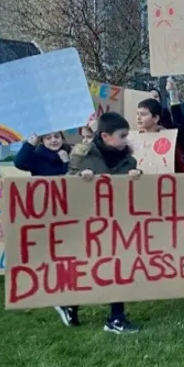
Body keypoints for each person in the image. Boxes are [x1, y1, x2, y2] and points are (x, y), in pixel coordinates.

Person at [66, 112, 143, 333]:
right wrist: (80, 179)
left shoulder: (129, 159)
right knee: (89, 266)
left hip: (116, 220)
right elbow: (65, 185)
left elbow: (135, 189)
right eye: (122, 136)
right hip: (88, 220)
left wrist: (138, 176)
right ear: (106, 136)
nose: (126, 140)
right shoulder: (83, 155)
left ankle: (116, 317)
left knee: (117, 264)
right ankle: (69, 302)